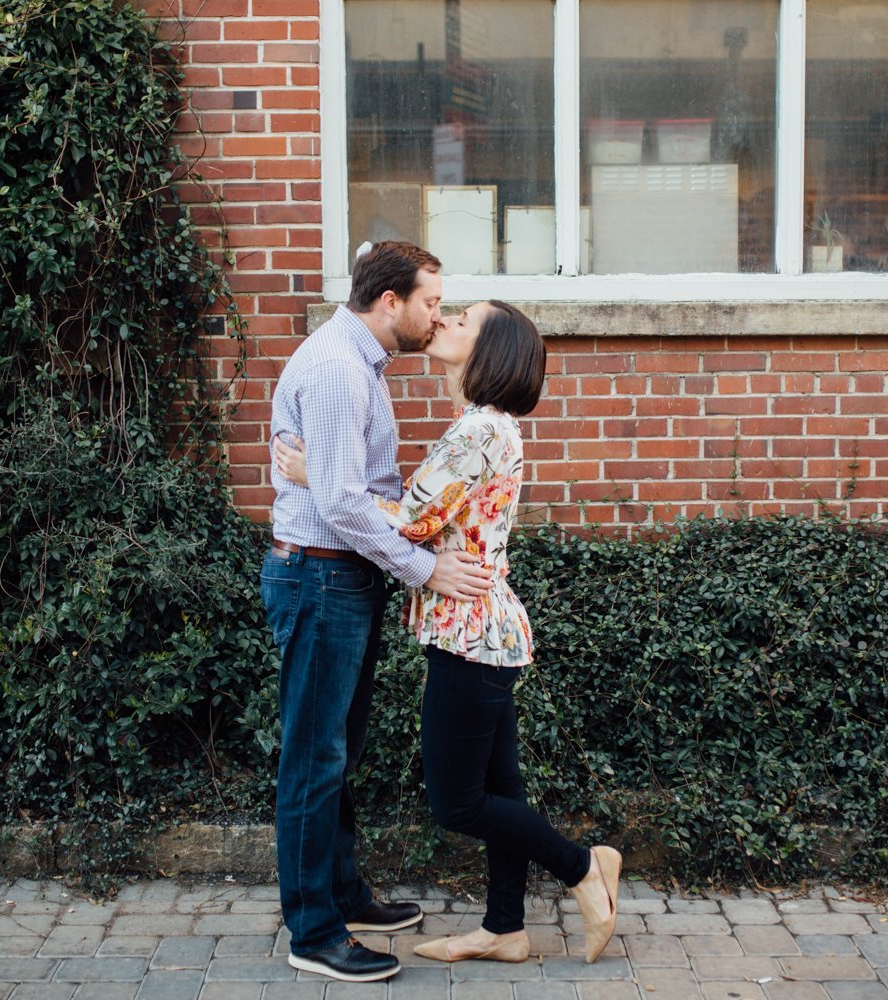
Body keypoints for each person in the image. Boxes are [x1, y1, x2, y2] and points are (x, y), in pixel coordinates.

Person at [274, 300, 623, 967]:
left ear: (489, 350)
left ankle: (584, 870)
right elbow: (430, 522)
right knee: (501, 790)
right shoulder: (482, 428)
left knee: (458, 803)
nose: (447, 322)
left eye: (463, 319)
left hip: (471, 636)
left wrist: (315, 475)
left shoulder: (480, 433)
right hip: (478, 630)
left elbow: (408, 522)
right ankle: (504, 929)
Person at [262, 241, 495, 984]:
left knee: (339, 752)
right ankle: (313, 930)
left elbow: (362, 487)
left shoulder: (360, 362)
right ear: (389, 301)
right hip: (321, 579)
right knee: (315, 756)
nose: (437, 315)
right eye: (431, 301)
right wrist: (425, 569)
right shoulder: (338, 370)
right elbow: (338, 503)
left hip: (342, 580)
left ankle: (342, 894)